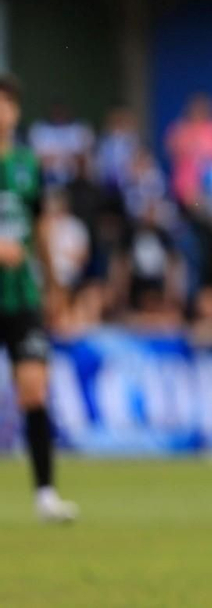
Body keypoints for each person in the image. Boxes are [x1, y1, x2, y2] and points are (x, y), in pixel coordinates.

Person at [0, 74, 78, 522]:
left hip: (22, 296)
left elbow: (41, 230)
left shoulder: (29, 163)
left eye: (7, 103)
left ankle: (45, 494)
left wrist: (55, 289)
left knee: (34, 389)